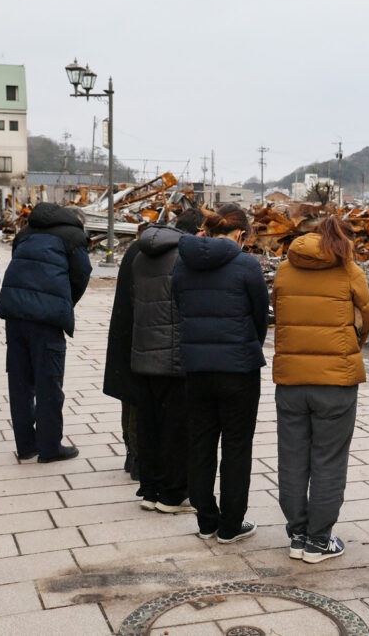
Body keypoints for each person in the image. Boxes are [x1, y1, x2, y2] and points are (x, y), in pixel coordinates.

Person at [272, 215, 369, 563]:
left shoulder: (285, 269)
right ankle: (318, 541)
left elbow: (280, 312)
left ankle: (297, 534)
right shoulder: (350, 271)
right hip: (336, 381)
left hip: (290, 379)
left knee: (292, 457)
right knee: (329, 460)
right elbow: (366, 319)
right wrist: (351, 344)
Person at [172, 204, 268, 544]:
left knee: (200, 444)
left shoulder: (183, 263)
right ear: (241, 233)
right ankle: (230, 525)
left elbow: (179, 308)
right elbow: (260, 318)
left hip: (197, 369)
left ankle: (206, 519)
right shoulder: (246, 265)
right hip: (239, 370)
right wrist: (247, 345)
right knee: (237, 447)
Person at [0, 202, 92, 463]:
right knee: (48, 382)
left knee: (20, 383)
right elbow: (82, 274)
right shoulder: (73, 236)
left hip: (15, 314)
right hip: (45, 320)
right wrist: (63, 302)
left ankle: (26, 446)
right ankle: (50, 448)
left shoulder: (25, 233)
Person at [131, 208, 205, 512]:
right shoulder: (184, 259)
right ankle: (173, 495)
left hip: (144, 352)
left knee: (148, 426)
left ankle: (149, 491)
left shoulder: (140, 255)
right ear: (198, 232)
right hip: (174, 357)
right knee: (176, 428)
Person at [102, 225, 146, 481]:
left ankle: (132, 453)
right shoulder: (166, 253)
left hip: (125, 330)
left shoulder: (135, 248)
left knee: (129, 397)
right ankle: (139, 458)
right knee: (140, 399)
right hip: (149, 336)